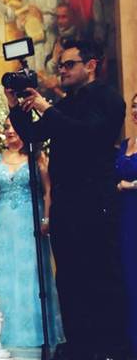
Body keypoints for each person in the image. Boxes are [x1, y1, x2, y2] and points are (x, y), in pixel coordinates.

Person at [7, 40, 128, 359]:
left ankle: (109, 348)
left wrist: (46, 108)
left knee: (99, 276)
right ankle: (78, 346)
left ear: (91, 65)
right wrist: (14, 106)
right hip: (67, 203)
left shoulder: (108, 99)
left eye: (69, 64)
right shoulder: (68, 103)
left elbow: (89, 135)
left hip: (94, 201)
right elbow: (34, 136)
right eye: (59, 65)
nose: (62, 70)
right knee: (70, 278)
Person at [0, 119, 64, 349]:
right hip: (3, 222)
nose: (9, 131)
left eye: (13, 126)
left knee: (30, 271)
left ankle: (34, 331)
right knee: (5, 271)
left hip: (28, 219)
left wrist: (46, 218)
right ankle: (5, 332)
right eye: (6, 128)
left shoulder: (37, 157)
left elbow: (48, 189)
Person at [117, 93, 137, 353]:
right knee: (126, 277)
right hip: (123, 216)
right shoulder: (125, 143)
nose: (136, 111)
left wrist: (132, 185)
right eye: (134, 106)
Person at [18, 0, 60, 75]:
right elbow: (21, 23)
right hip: (32, 41)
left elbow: (54, 18)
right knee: (32, 72)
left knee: (47, 72)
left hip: (48, 38)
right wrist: (22, 23)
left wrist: (40, 17)